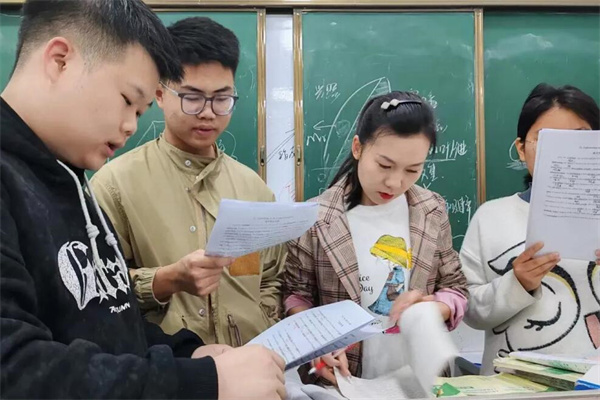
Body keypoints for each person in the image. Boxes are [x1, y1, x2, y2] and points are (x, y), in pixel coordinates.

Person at [0, 1, 285, 398]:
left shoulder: (69, 180)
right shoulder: (29, 180)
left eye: (140, 110)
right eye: (126, 100)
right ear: (60, 60)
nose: (131, 126)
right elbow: (15, 369)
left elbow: (112, 323)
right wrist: (199, 381)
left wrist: (188, 352)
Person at [91, 16, 286, 347]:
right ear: (160, 94)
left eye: (222, 98)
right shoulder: (115, 185)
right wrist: (165, 280)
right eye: (192, 97)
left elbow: (269, 279)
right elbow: (95, 289)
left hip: (249, 364)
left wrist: (260, 327)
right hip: (167, 368)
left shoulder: (253, 189)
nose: (208, 112)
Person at [284, 91, 468, 384]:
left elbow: (455, 288)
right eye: (384, 165)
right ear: (358, 147)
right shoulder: (317, 217)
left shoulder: (431, 210)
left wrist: (432, 308)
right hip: (343, 383)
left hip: (420, 381)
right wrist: (317, 345)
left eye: (413, 170)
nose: (395, 182)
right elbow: (295, 296)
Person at [460, 83, 600, 375]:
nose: (563, 151)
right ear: (521, 149)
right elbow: (469, 310)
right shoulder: (491, 217)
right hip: (509, 385)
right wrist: (517, 283)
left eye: (579, 138)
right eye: (547, 138)